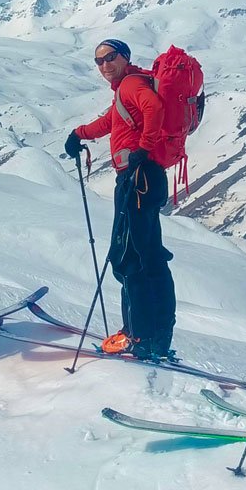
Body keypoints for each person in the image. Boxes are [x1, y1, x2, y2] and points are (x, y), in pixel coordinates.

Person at [65, 39, 178, 361]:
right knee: (149, 257)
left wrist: (143, 147)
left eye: (110, 57)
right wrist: (79, 134)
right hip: (146, 178)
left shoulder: (129, 84)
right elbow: (111, 122)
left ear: (125, 57)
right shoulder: (130, 85)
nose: (104, 65)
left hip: (137, 178)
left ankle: (139, 336)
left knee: (128, 259)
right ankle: (156, 336)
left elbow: (153, 109)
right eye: (98, 61)